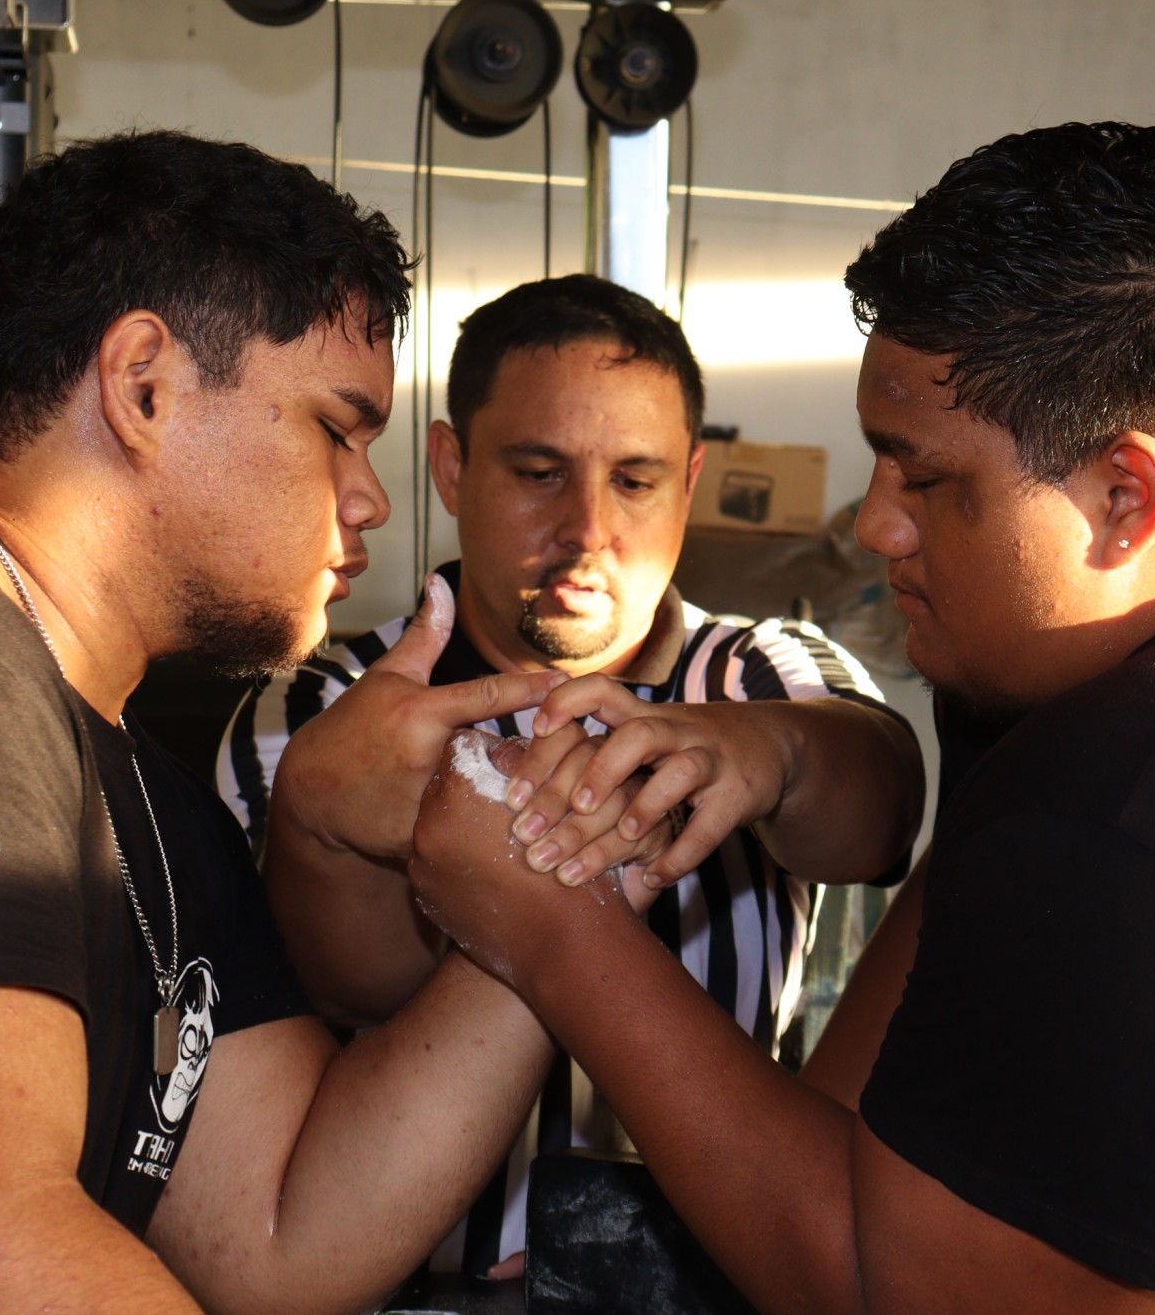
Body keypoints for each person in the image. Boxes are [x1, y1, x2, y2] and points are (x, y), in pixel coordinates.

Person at [406, 122, 1155, 1312]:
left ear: (1122, 496)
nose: (877, 524)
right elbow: (884, 1075)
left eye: (924, 478)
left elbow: (890, 1294)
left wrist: (558, 935)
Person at [0, 131, 667, 1314]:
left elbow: (279, 1229)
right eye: (334, 428)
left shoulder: (131, 784)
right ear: (142, 383)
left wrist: (549, 869)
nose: (369, 495)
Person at [222, 273, 925, 1277]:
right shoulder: (326, 704)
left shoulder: (759, 675)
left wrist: (768, 752)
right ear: (450, 467)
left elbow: (881, 817)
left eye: (634, 480)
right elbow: (348, 987)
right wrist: (327, 830)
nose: (588, 530)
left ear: (688, 482)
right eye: (539, 471)